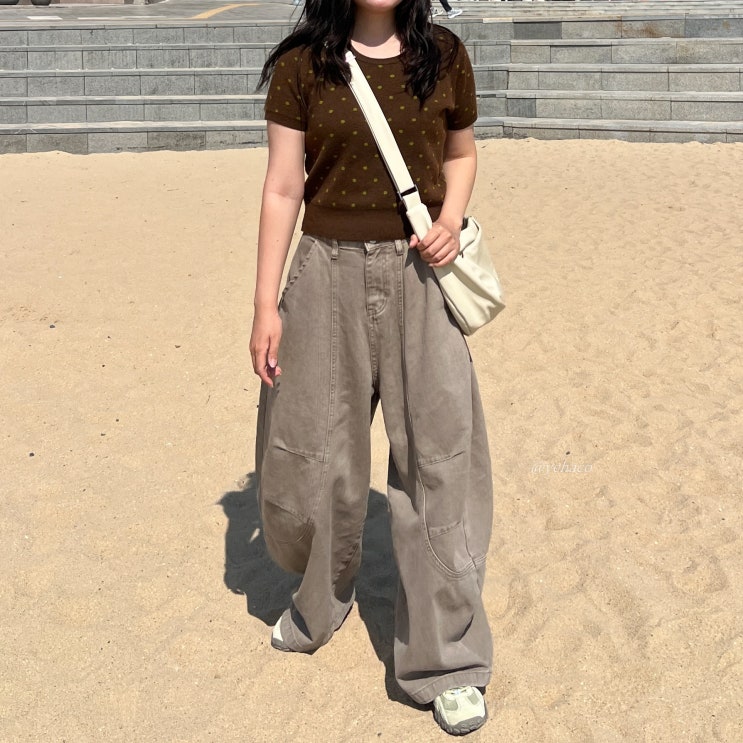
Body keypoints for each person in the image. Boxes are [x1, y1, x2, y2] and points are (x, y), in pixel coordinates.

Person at [250, 0, 493, 735]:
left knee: (439, 459)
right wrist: (265, 304)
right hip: (324, 274)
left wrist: (450, 219)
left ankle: (447, 658)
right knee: (315, 453)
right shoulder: (303, 65)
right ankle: (320, 601)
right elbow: (282, 186)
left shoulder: (443, 54)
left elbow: (461, 153)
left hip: (423, 275)